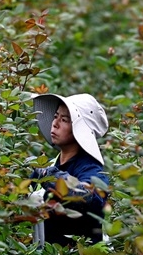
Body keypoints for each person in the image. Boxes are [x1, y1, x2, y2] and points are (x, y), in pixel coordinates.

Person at [29, 93, 110, 247]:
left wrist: (52, 177)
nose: (55, 123)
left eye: (64, 120)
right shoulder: (50, 166)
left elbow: (90, 197)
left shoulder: (92, 170)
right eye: (55, 116)